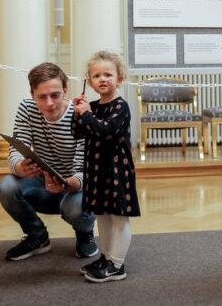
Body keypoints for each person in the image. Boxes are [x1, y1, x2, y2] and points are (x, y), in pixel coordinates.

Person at [0, 63, 98, 262]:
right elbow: (17, 149)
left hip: (77, 188)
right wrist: (19, 168)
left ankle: (84, 233)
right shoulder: (27, 108)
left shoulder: (81, 116)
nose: (49, 103)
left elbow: (86, 171)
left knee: (75, 208)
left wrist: (68, 183)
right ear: (32, 94)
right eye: (42, 97)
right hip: (43, 183)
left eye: (55, 95)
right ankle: (37, 236)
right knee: (7, 186)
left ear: (65, 91)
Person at [72, 51, 140, 283]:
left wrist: (87, 115)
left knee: (119, 217)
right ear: (89, 81)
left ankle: (117, 265)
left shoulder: (121, 106)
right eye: (97, 75)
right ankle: (106, 257)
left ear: (119, 79)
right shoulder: (91, 107)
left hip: (116, 172)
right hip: (96, 171)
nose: (103, 79)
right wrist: (77, 113)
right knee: (102, 215)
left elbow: (106, 131)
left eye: (108, 74)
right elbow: (78, 133)